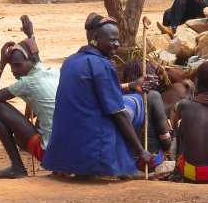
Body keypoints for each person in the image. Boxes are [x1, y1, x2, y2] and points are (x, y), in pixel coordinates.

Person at [42, 13, 152, 177]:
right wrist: (141, 151)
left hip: (64, 154)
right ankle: (127, 165)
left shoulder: (70, 61)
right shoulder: (102, 65)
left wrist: (131, 85)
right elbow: (118, 113)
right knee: (135, 102)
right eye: (112, 40)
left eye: (117, 40)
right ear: (95, 38)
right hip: (94, 151)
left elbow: (93, 92)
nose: (117, 44)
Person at [0, 15, 59, 179]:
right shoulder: (51, 72)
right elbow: (35, 56)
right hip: (66, 152)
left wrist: (1, 64)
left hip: (52, 155)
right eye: (11, 66)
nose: (14, 70)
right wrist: (30, 35)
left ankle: (17, 167)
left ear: (31, 61)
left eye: (17, 65)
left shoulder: (27, 83)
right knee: (20, 138)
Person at [121, 59, 172, 174]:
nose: (156, 79)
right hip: (148, 162)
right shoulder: (153, 96)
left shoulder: (118, 96)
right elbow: (166, 143)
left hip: (122, 162)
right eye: (151, 75)